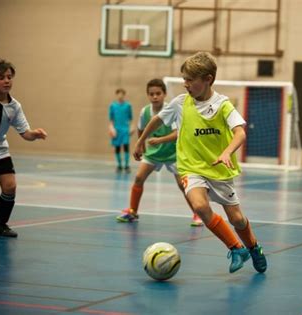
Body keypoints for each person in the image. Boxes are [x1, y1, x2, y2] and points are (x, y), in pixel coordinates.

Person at [133, 52, 267, 273]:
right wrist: (140, 141)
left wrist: (226, 152)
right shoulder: (180, 103)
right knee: (200, 206)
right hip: (190, 167)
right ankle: (235, 248)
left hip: (219, 169)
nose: (185, 84)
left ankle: (253, 247)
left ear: (208, 79)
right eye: (184, 79)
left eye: (189, 80)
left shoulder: (223, 105)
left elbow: (240, 133)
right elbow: (157, 119)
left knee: (237, 219)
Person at [116, 79, 203, 227]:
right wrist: (140, 144)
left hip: (173, 154)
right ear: (148, 95)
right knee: (138, 178)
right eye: (151, 94)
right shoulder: (146, 111)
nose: (155, 96)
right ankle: (133, 211)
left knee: (183, 186)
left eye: (158, 93)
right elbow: (140, 128)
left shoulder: (171, 109)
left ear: (164, 94)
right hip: (153, 154)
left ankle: (197, 214)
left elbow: (177, 133)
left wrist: (160, 140)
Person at [0, 59, 47, 237]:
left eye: (9, 77)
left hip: (1, 151)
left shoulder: (14, 106)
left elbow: (25, 133)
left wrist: (35, 134)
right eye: (1, 77)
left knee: (10, 187)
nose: (7, 81)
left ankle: (0, 225)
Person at [109, 88, 134, 172]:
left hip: (125, 129)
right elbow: (111, 120)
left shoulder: (128, 106)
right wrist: (112, 128)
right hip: (117, 129)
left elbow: (131, 119)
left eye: (122, 94)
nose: (120, 95)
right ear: (116, 95)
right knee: (117, 147)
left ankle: (126, 165)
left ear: (124, 95)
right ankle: (119, 165)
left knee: (126, 146)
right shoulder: (113, 106)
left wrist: (132, 127)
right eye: (118, 94)